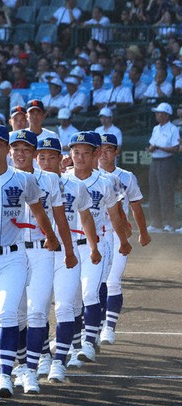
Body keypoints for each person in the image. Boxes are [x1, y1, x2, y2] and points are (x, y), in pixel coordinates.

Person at [0, 124, 60, 405]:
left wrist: (51, 237)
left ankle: (5, 374)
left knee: (8, 315)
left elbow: (39, 210)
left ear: (6, 148)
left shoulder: (23, 179)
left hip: (13, 257)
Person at [8, 129, 75, 392]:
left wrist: (68, 251)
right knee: (15, 314)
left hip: (42, 251)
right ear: (10, 151)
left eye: (26, 149)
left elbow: (60, 219)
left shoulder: (49, 180)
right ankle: (20, 363)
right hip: (11, 252)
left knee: (37, 311)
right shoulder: (2, 177)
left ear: (34, 154)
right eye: (17, 148)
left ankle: (31, 370)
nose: (21, 153)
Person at [65, 131, 132, 365]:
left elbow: (115, 215)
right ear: (70, 154)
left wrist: (123, 241)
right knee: (71, 299)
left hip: (97, 245)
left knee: (89, 293)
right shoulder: (63, 179)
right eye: (76, 152)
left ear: (95, 154)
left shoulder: (105, 181)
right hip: (69, 245)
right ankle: (74, 346)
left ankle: (87, 343)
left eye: (85, 152)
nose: (80, 157)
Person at [36, 136, 99, 383]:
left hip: (67, 253)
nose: (47, 161)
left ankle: (59, 362)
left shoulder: (75, 186)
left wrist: (93, 247)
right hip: (37, 253)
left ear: (61, 159)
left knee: (64, 307)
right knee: (37, 311)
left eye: (52, 156)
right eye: (42, 156)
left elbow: (86, 218)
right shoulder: (27, 184)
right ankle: (42, 356)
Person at [98, 133, 151, 346]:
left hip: (117, 234)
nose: (104, 153)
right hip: (93, 235)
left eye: (108, 149)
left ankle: (108, 327)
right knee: (90, 285)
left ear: (116, 151)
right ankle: (87, 329)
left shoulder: (127, 177)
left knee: (112, 281)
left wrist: (143, 232)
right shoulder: (87, 174)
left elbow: (136, 207)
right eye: (100, 149)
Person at [146, 102, 179, 232]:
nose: (157, 115)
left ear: (166, 115)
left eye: (159, 113)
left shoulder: (173, 129)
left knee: (166, 193)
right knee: (154, 193)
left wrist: (159, 148)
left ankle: (169, 223)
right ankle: (156, 222)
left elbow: (175, 148)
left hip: (167, 162)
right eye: (157, 113)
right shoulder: (155, 128)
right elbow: (151, 145)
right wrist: (151, 149)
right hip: (155, 161)